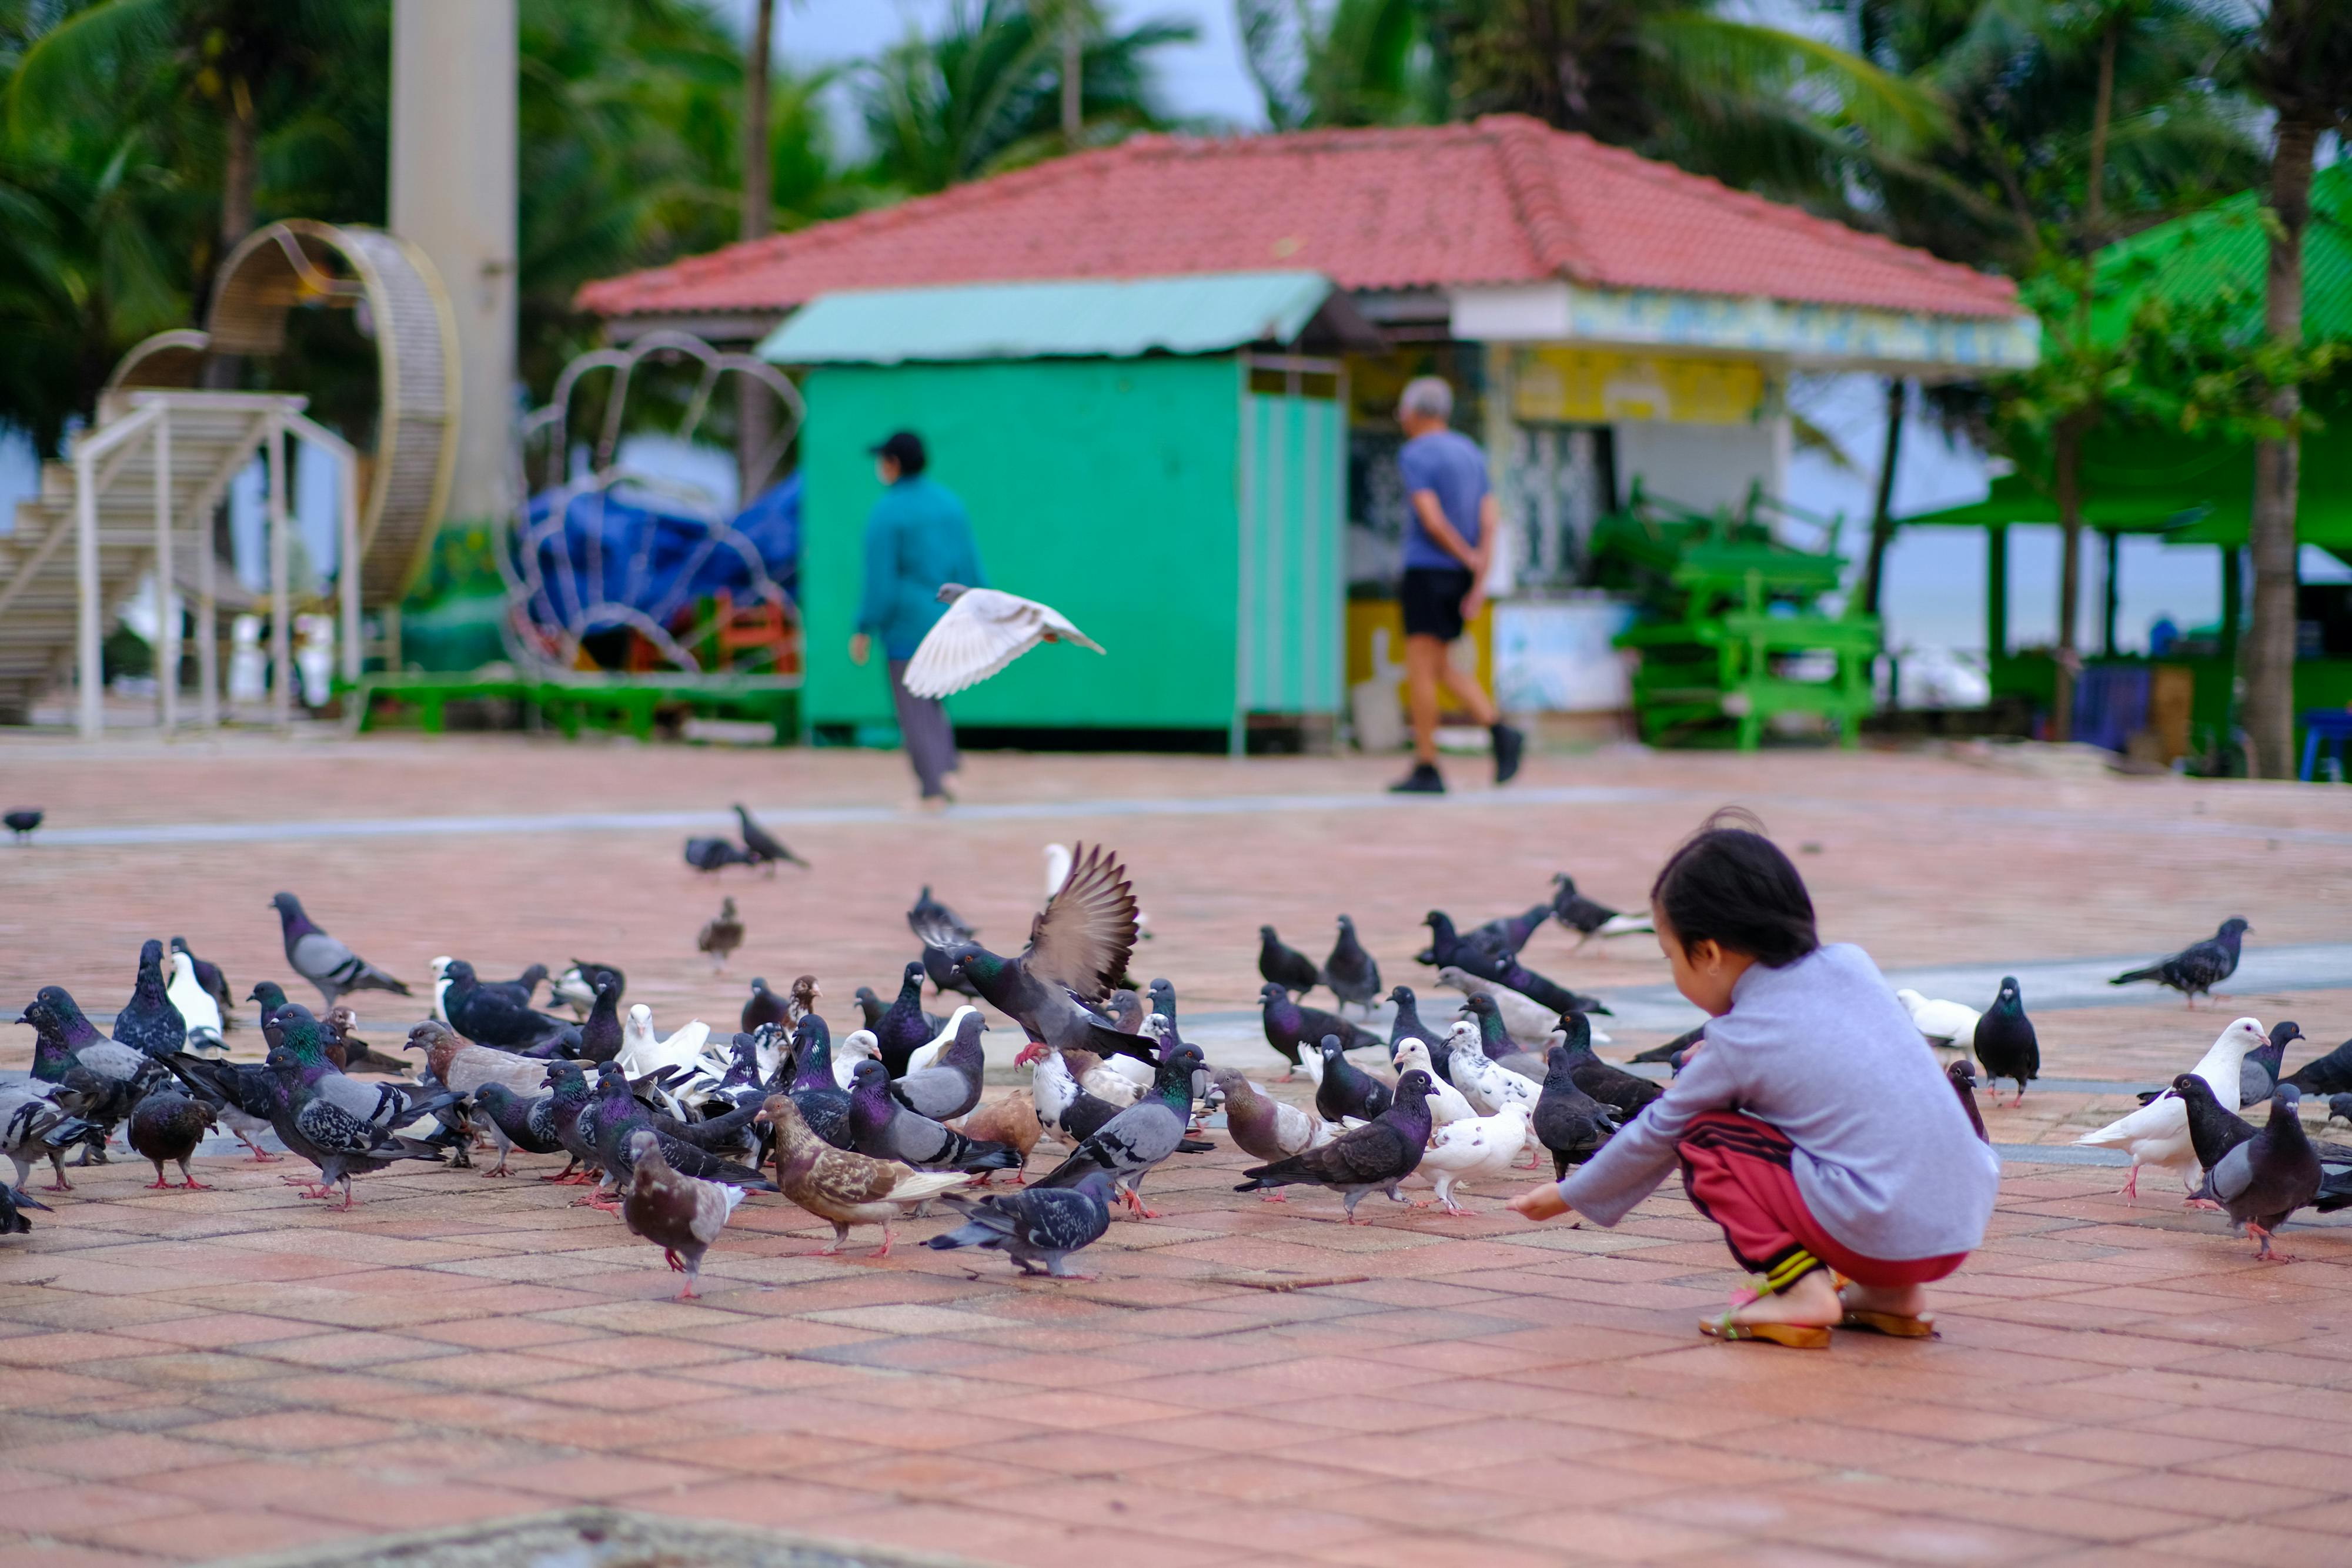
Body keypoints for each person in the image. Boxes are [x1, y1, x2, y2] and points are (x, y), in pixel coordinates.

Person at [1508, 813, 1999, 1348]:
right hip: (1958, 1219)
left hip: (1882, 1226)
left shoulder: (1742, 1041)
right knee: (1857, 1144)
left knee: (1703, 1134)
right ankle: (1892, 1296)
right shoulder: (1852, 965)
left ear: (1711, 954)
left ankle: (1802, 1294)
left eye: (1672, 956)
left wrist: (1569, 1194)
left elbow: (1660, 1131)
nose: (1674, 971)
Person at [1389, 376, 1524, 794]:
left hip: (1428, 570)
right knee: (1443, 665)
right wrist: (1477, 576)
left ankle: (1427, 763)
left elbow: (1431, 519)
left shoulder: (1415, 454)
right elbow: (1489, 518)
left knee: (1421, 669)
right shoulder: (1471, 452)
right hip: (1460, 575)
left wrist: (1463, 555)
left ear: (1413, 412)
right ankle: (1500, 731)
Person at [851, 430, 984, 806]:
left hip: (906, 627)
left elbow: (880, 581)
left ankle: (932, 785)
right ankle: (947, 765)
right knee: (936, 697)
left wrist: (864, 626)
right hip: (949, 622)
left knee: (913, 705)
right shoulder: (950, 505)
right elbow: (971, 566)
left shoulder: (887, 512)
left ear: (893, 464)